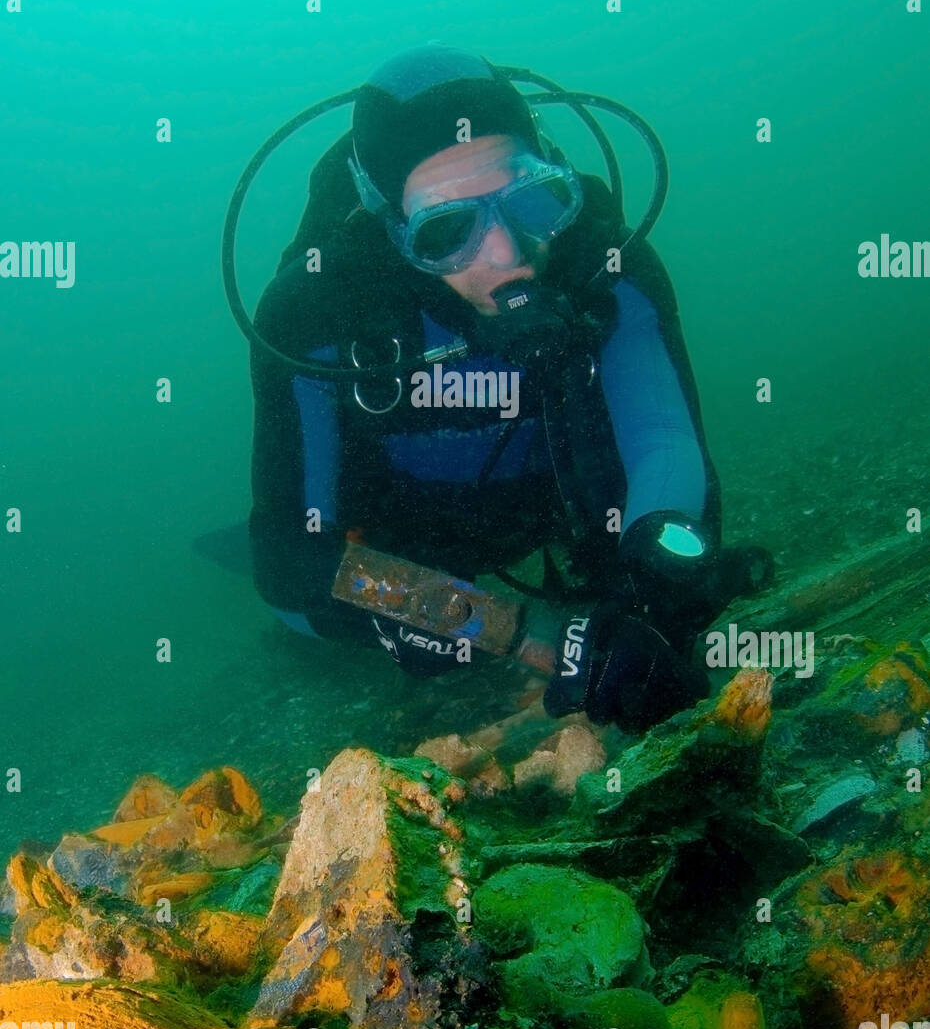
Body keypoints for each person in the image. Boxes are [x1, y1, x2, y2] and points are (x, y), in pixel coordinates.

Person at [248, 44, 773, 731]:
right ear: (393, 232)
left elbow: (665, 442)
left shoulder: (604, 266)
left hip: (556, 512)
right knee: (331, 628)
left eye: (531, 202)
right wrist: (493, 623)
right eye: (447, 230)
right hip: (402, 540)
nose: (507, 253)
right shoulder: (315, 314)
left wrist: (658, 594)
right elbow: (289, 562)